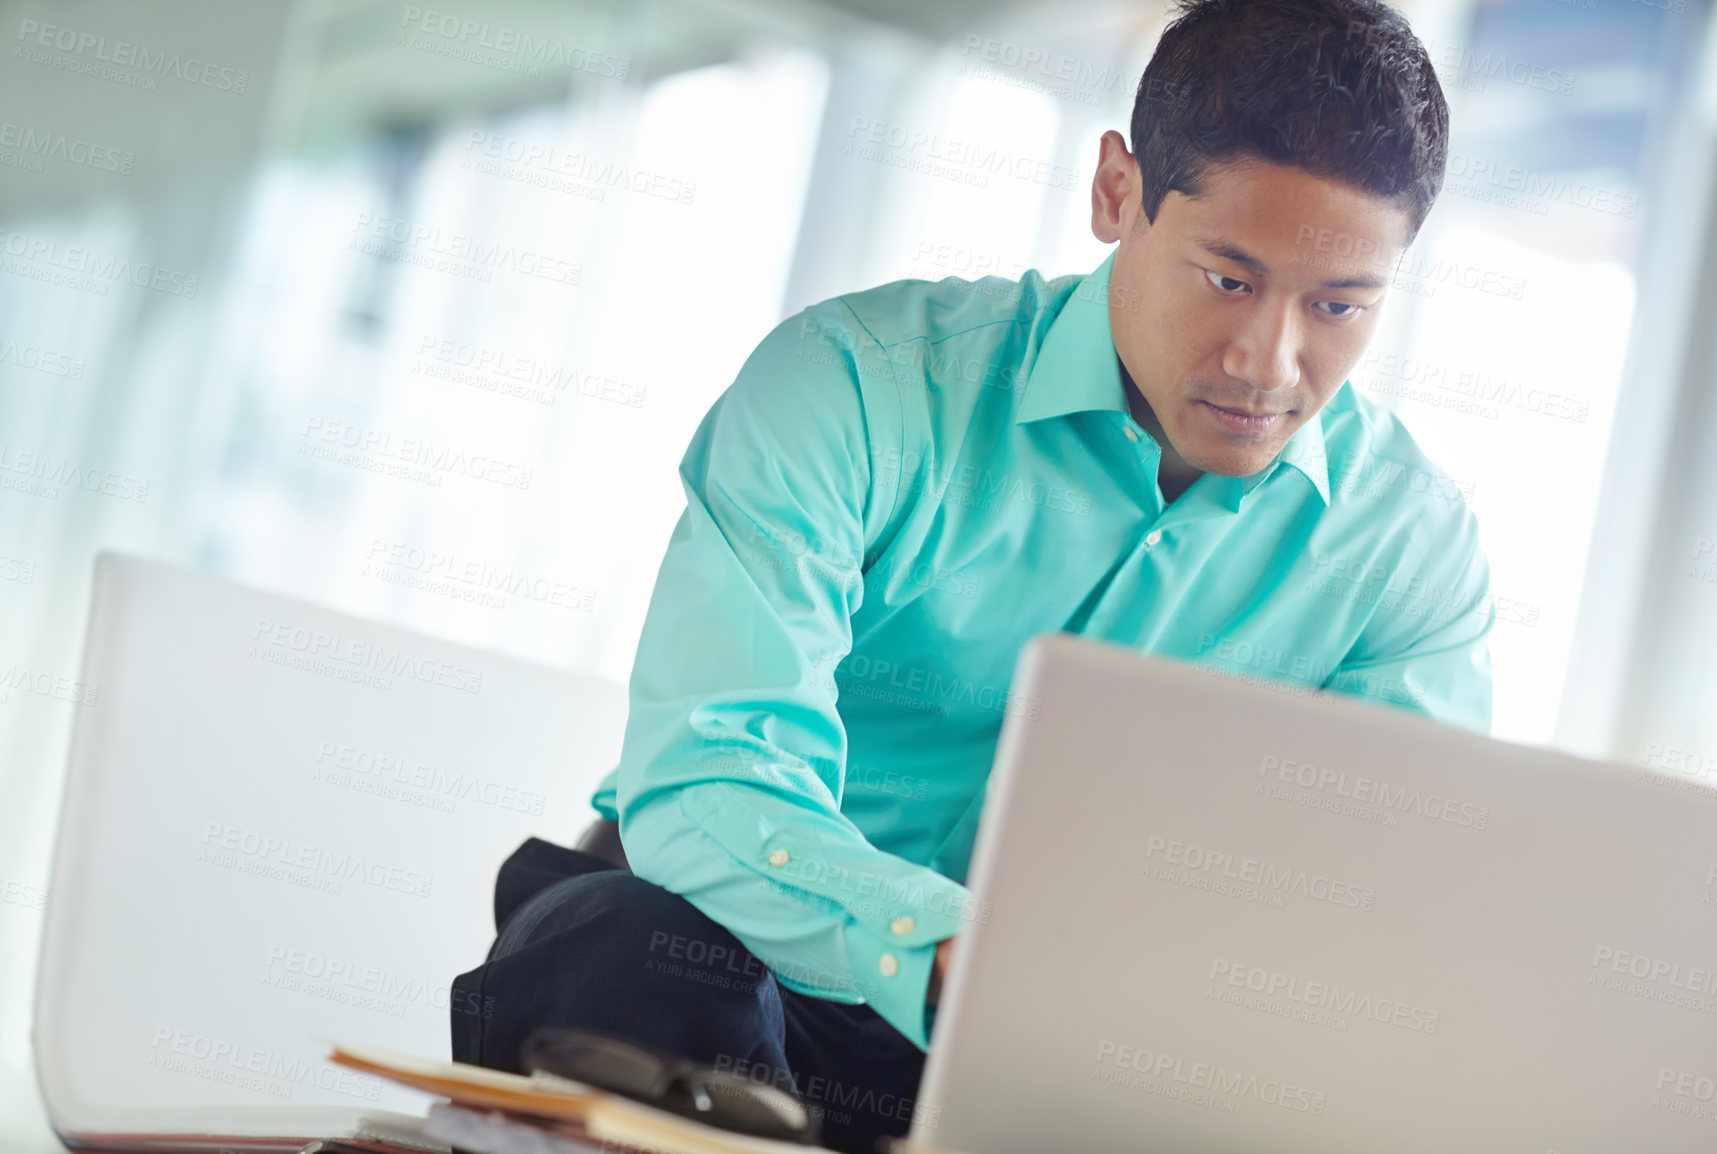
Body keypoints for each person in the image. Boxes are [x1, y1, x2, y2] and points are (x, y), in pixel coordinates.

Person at [453, 0, 1490, 1148]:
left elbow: (1377, 916)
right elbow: (708, 772)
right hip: (738, 977)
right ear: (1115, 191)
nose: (1270, 361)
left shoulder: (1408, 552)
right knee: (620, 947)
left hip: (1079, 1063)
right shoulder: (852, 388)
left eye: (1339, 305)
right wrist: (962, 949)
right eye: (1228, 279)